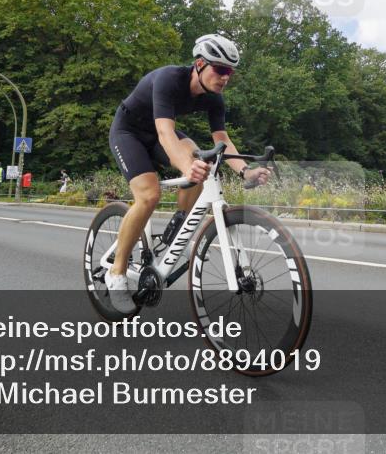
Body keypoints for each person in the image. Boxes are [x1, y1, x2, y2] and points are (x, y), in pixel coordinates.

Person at [106, 34, 270, 313]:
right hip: (128, 131)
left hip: (157, 134)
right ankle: (116, 275)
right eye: (220, 69)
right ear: (199, 64)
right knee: (149, 195)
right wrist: (186, 166)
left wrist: (245, 171)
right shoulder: (170, 79)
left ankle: (179, 224)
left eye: (230, 72)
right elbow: (165, 132)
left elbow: (223, 140)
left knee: (203, 161)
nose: (225, 77)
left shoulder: (215, 99)